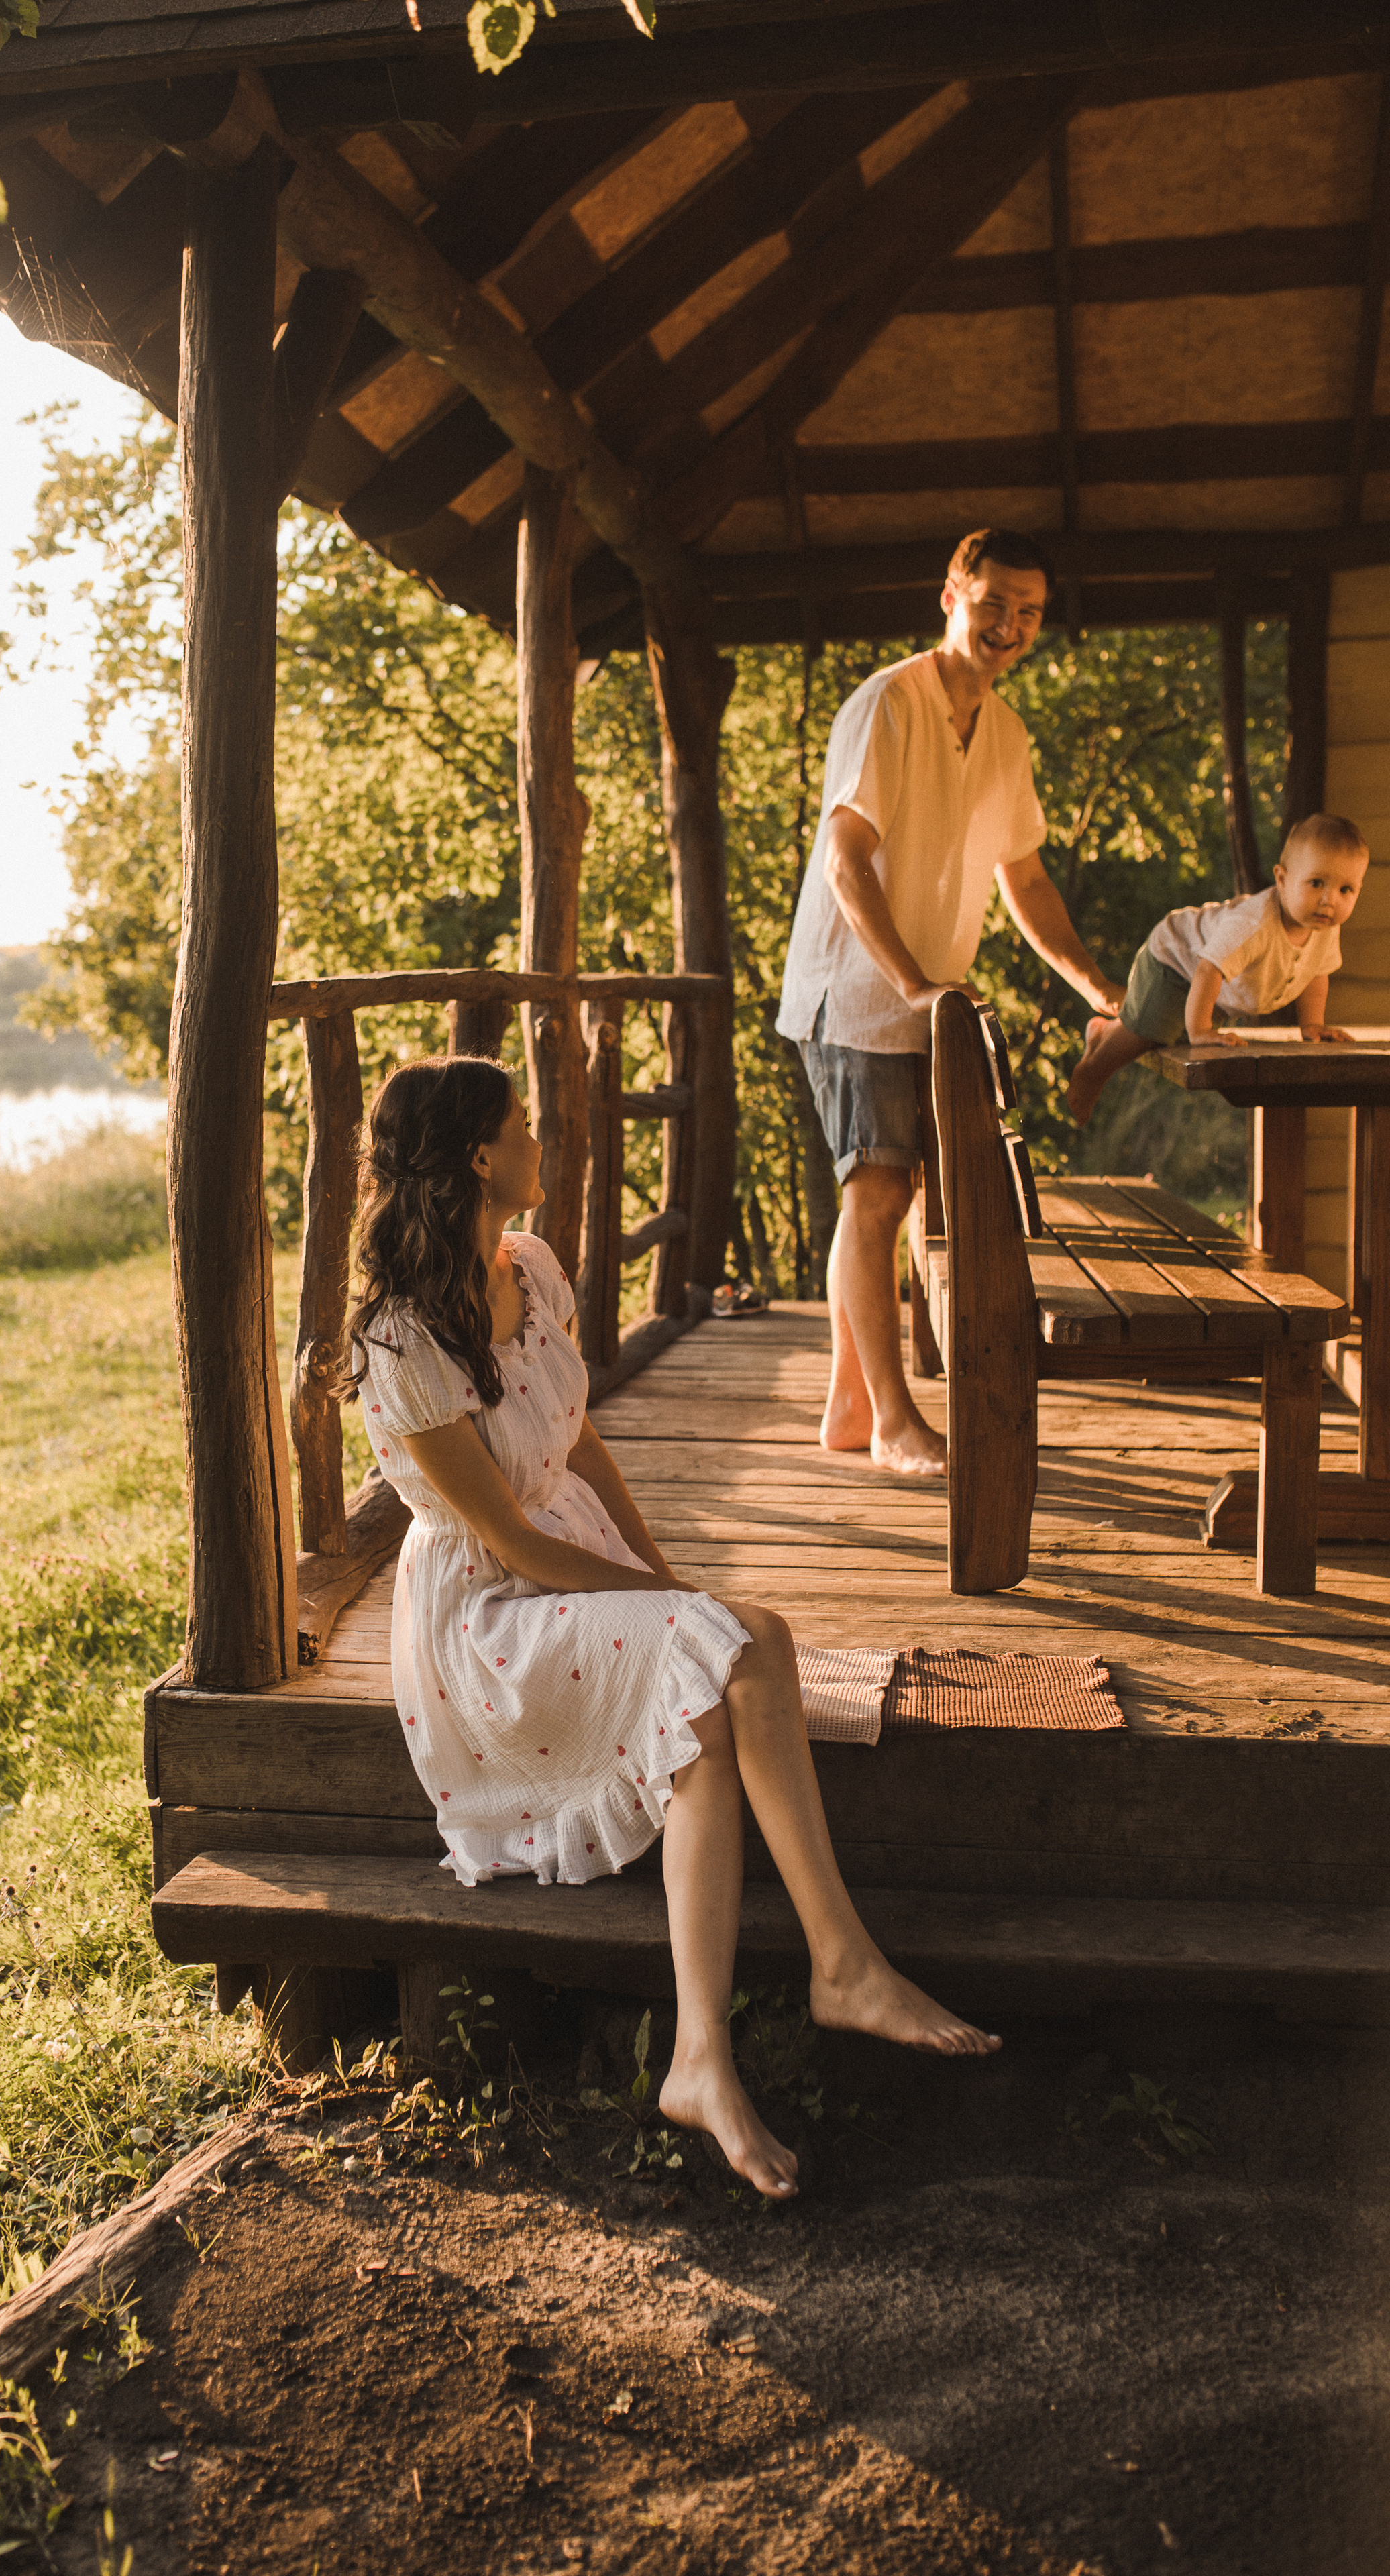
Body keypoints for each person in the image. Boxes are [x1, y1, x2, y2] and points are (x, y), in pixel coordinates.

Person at [345, 1055, 1000, 2205]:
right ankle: (836, 1971)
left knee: (730, 1666)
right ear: (478, 1159)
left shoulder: (530, 1267)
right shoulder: (401, 1345)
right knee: (742, 1643)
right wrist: (662, 1606)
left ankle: (715, 2050)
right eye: (522, 1125)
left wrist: (659, 1581)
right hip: (491, 1628)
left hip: (569, 1563)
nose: (541, 1139)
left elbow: (582, 1441)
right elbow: (508, 1539)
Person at [777, 530, 1125, 1477]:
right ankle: (893, 1422)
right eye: (993, 603)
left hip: (931, 1004)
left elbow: (1027, 880)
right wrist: (912, 984)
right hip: (856, 990)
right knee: (879, 1194)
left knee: (906, 1200)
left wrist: (1100, 989)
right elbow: (845, 859)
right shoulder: (888, 703)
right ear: (951, 595)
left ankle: (851, 1404)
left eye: (1028, 612)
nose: (1009, 625)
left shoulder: (1005, 732)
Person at [1067, 814, 1368, 1124]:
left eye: (1346, 890)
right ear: (1281, 879)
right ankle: (1093, 1070)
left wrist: (1312, 1025)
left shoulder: (1324, 927)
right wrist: (1200, 1031)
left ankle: (1104, 1032)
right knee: (1148, 1032)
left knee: (1173, 1036)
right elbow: (1208, 969)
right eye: (1316, 883)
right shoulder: (1255, 924)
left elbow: (1317, 974)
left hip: (1216, 988)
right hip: (1178, 961)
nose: (1329, 901)